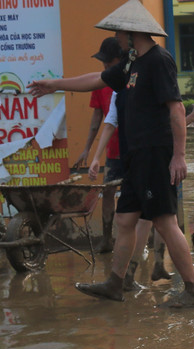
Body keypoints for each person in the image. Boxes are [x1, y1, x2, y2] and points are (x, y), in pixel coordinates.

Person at [27, 0, 194, 308]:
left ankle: (193, 290)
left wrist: (179, 155)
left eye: (119, 33)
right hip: (134, 156)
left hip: (154, 153)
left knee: (164, 221)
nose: (117, 39)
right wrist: (54, 84)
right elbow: (96, 80)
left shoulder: (159, 60)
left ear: (132, 33)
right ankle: (115, 283)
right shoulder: (131, 64)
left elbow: (176, 109)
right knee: (124, 219)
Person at [88, 90, 194, 290]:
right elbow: (166, 129)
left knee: (153, 219)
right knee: (158, 219)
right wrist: (192, 119)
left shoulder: (127, 90)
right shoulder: (137, 90)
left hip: (145, 158)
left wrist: (94, 156)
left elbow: (110, 123)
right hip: (152, 160)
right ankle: (136, 274)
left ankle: (144, 270)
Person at [74, 37, 123, 252]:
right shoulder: (101, 82)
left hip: (134, 150)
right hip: (112, 151)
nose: (104, 66)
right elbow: (98, 119)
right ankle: (107, 238)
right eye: (103, 62)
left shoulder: (130, 80)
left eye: (108, 62)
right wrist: (87, 149)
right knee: (108, 192)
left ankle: (135, 239)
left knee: (135, 195)